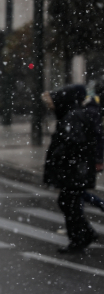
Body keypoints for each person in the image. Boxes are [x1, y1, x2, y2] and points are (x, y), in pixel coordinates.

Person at [43, 85, 100, 253]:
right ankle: (83, 235)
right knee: (70, 202)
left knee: (69, 202)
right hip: (76, 170)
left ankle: (81, 237)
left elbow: (73, 143)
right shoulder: (73, 115)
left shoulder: (72, 117)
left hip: (74, 171)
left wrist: (58, 157)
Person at [81, 80, 104, 212]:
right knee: (75, 194)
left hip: (85, 156)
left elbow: (97, 135)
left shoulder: (91, 109)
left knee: (75, 194)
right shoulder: (94, 109)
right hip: (86, 156)